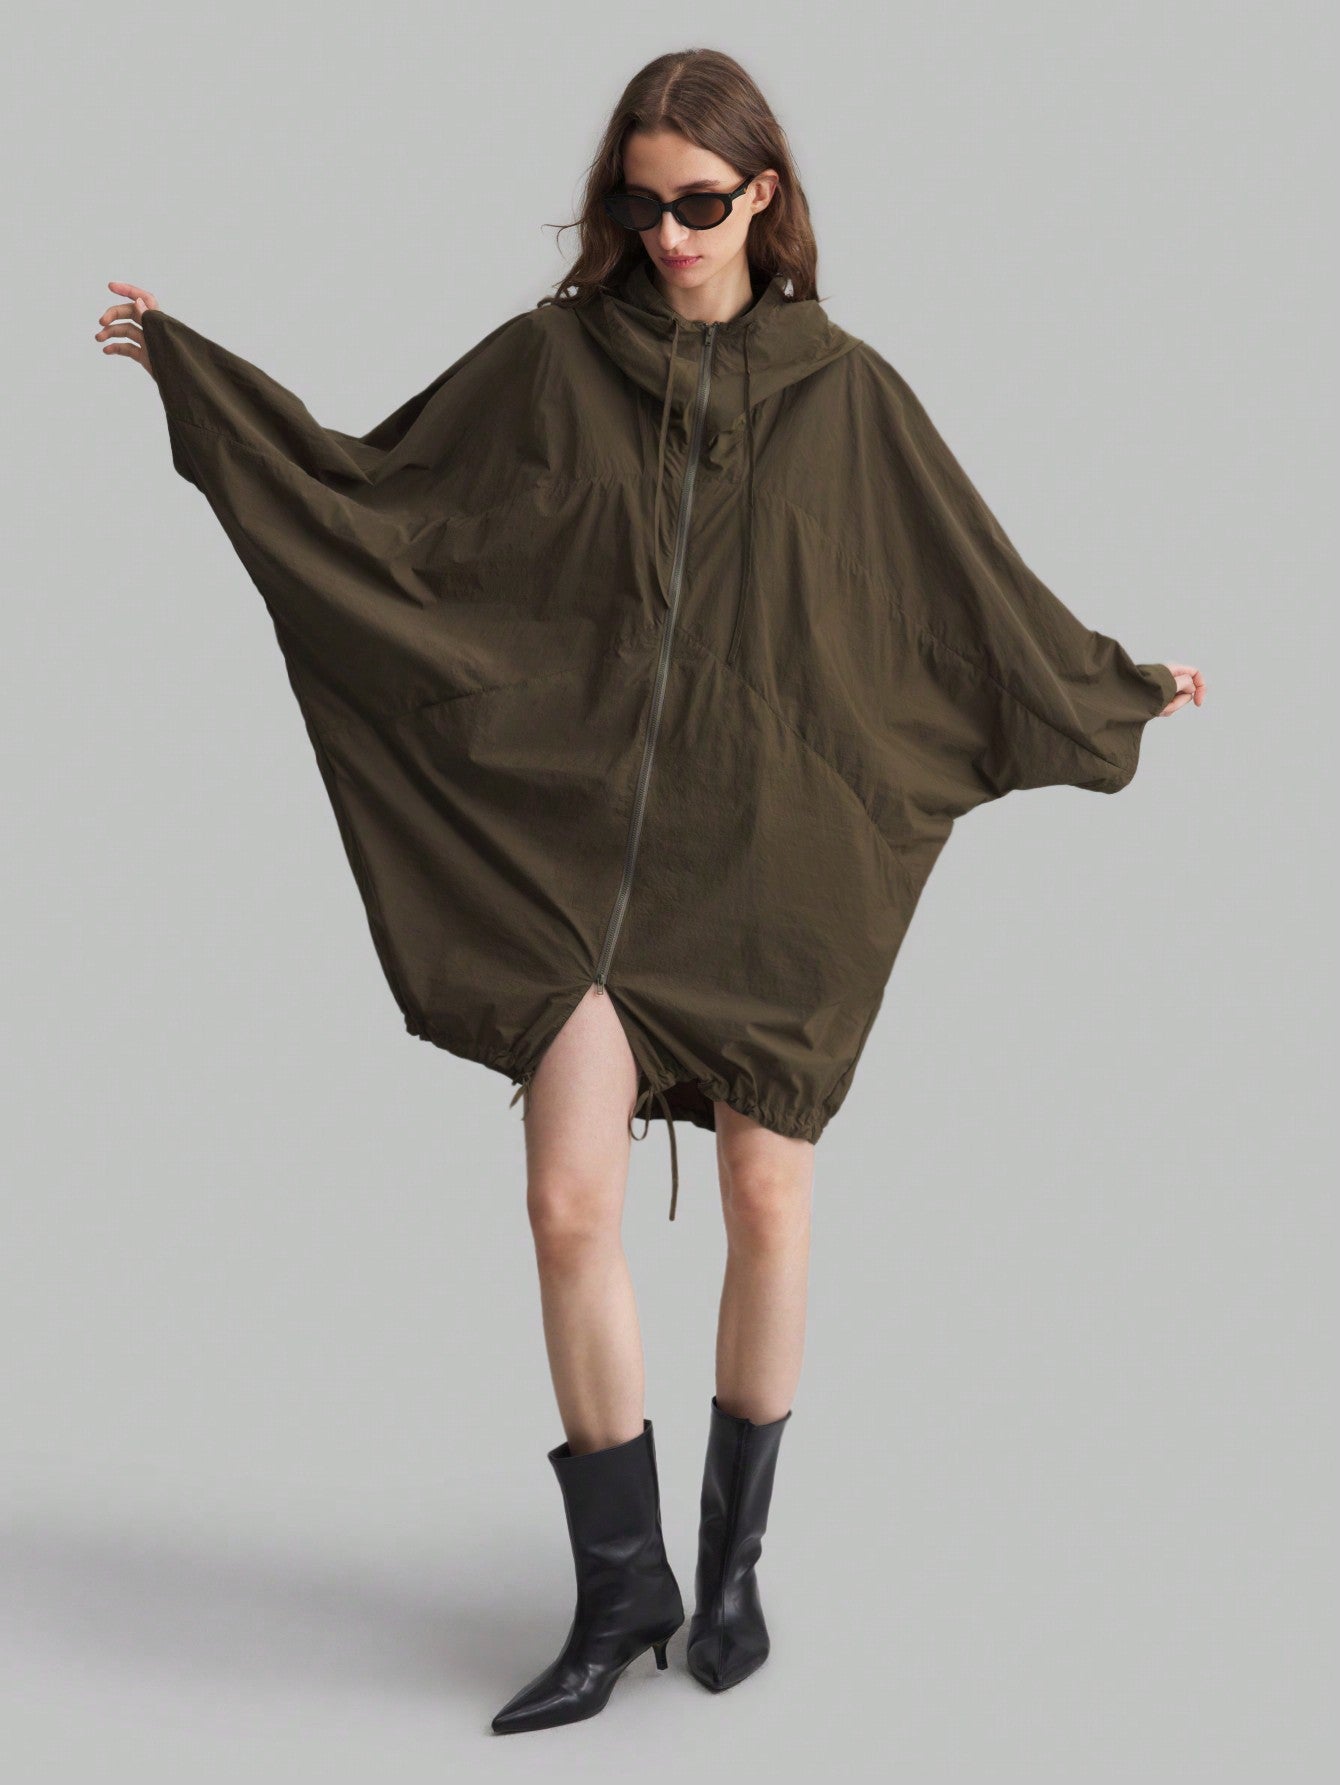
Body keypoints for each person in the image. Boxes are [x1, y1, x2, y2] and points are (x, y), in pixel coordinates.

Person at [96, 47, 1204, 1737]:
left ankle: (732, 1568)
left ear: (765, 196)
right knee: (567, 1204)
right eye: (639, 200)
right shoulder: (552, 362)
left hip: (769, 863)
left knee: (768, 1197)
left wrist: (1114, 685)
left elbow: (964, 599)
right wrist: (202, 381)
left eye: (697, 201)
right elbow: (375, 501)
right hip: (571, 865)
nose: (667, 232)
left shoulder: (849, 398)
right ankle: (621, 1587)